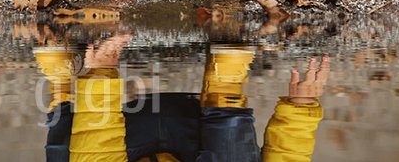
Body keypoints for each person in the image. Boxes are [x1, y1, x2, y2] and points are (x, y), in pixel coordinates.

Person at [35, 32, 330, 161]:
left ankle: (64, 88)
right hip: (206, 131)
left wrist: (99, 77)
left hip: (116, 137)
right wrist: (299, 111)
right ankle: (224, 83)